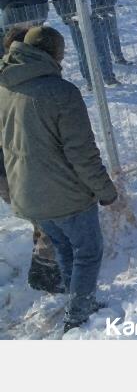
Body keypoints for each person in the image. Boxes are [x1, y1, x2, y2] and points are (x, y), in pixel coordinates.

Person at [0, 26, 118, 333]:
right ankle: (78, 315)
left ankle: (75, 299)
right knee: (88, 251)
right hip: (66, 196)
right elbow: (82, 153)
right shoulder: (61, 93)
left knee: (65, 248)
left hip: (27, 195)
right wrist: (106, 191)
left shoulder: (5, 86)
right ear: (55, 54)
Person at [0, 26, 63, 294]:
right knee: (49, 216)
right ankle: (44, 272)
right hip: (12, 169)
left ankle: (45, 266)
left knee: (43, 217)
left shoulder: (11, 81)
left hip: (11, 168)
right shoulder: (13, 86)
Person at [52, 0, 120, 87]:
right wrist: (66, 16)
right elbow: (57, 0)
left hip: (95, 18)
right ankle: (90, 80)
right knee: (83, 51)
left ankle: (109, 76)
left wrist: (101, 10)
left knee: (102, 47)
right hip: (75, 20)